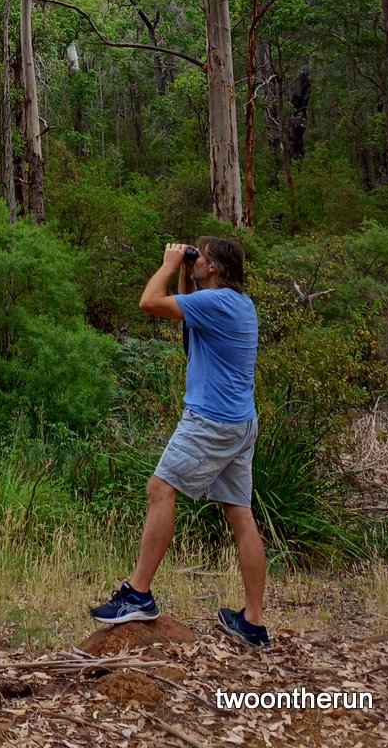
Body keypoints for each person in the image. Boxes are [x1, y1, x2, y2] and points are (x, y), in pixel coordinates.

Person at [90, 237, 271, 650]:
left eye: (201, 258)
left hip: (211, 421)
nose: (195, 260)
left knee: (160, 489)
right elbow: (189, 320)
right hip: (241, 423)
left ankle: (138, 594)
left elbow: (150, 302)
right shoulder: (238, 304)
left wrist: (171, 264)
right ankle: (253, 623)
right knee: (240, 515)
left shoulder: (217, 302)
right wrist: (190, 274)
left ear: (216, 268)